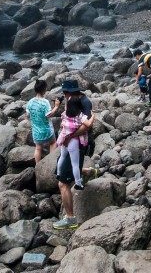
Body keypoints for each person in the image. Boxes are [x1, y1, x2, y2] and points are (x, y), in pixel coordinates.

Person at [53, 79, 98, 230]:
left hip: (77, 145)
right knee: (62, 169)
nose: (64, 94)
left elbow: (86, 126)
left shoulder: (84, 103)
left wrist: (69, 136)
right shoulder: (74, 100)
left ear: (71, 92)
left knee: (62, 183)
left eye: (65, 92)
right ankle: (89, 172)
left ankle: (70, 218)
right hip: (72, 143)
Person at [56, 96, 89, 189]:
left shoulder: (65, 113)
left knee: (62, 156)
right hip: (73, 141)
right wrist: (93, 116)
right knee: (75, 164)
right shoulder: (79, 115)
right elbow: (88, 124)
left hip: (64, 137)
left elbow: (62, 123)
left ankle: (58, 173)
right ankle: (78, 183)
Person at [26, 80, 59, 167]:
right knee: (53, 142)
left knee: (38, 148)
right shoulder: (45, 102)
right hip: (47, 131)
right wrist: (56, 107)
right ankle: (51, 162)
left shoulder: (30, 102)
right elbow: (49, 115)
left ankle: (37, 166)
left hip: (36, 132)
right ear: (43, 89)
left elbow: (27, 115)